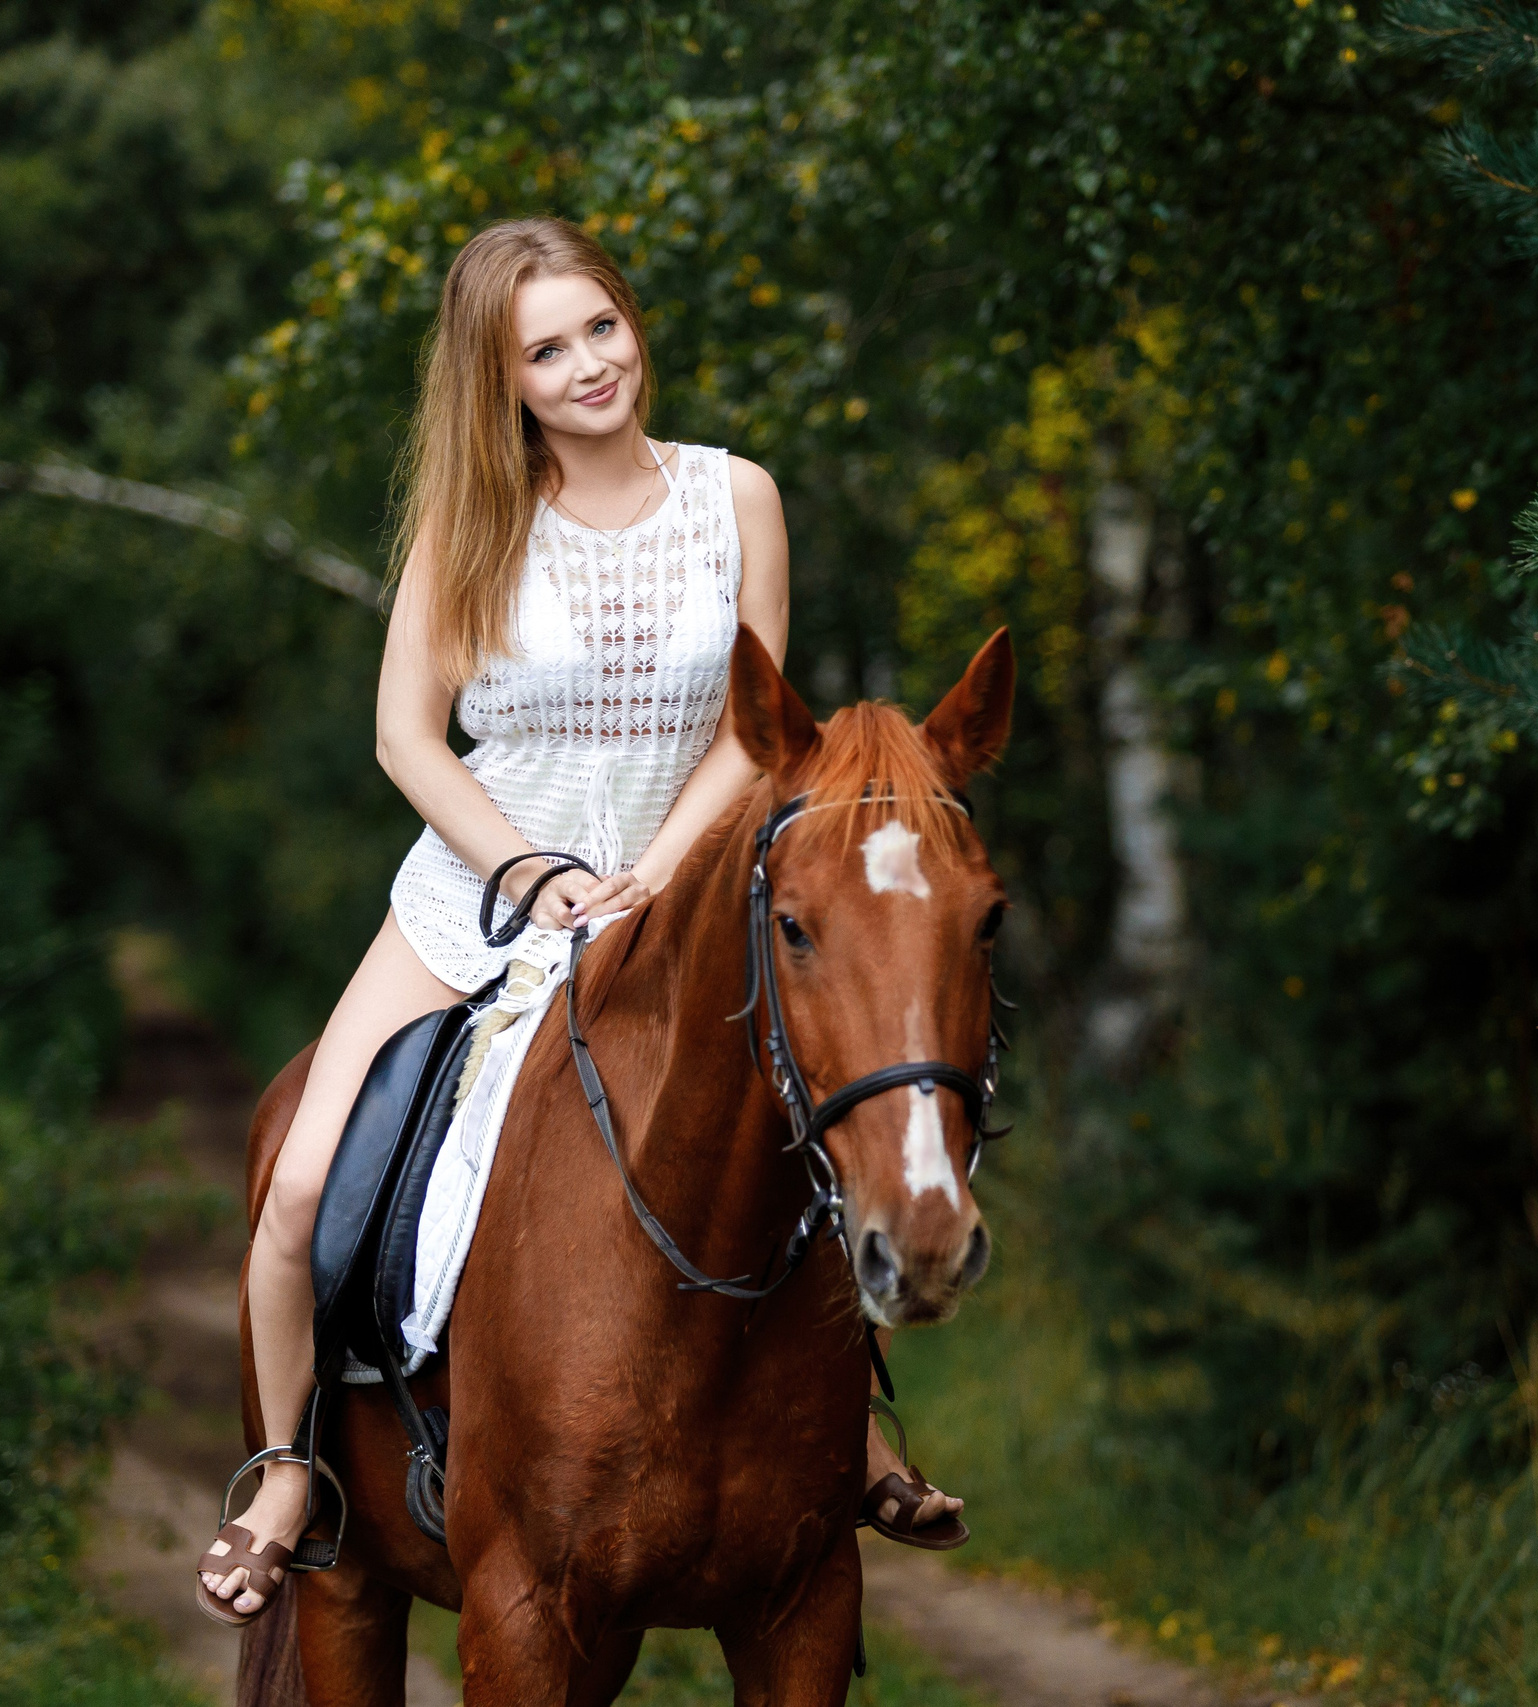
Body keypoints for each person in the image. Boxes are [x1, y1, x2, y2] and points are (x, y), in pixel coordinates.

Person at [196, 216, 965, 1622]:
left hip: (684, 897)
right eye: (545, 351)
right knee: (304, 1182)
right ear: (505, 383)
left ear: (632, 321)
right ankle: (288, 1468)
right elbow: (406, 740)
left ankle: (840, 1425)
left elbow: (760, 727)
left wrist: (653, 878)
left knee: (807, 1108)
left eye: (598, 326)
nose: (587, 365)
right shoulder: (473, 525)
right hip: (480, 893)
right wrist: (536, 875)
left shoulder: (737, 499)